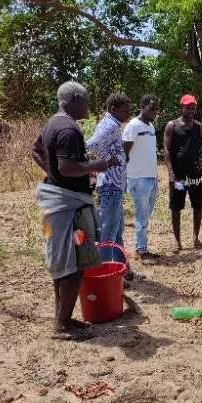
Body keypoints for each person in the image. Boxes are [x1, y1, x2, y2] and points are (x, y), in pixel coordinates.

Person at [33, 82, 117, 341]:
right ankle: (61, 326)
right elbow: (68, 167)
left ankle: (65, 318)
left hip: (60, 201)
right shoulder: (68, 129)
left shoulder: (53, 123)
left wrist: (53, 175)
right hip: (67, 208)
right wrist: (99, 165)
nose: (89, 106)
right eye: (86, 100)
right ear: (75, 100)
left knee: (63, 263)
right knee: (72, 265)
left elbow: (36, 150)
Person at [86, 93, 132, 273]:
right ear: (113, 109)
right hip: (111, 185)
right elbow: (91, 145)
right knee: (108, 233)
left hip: (114, 185)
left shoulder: (112, 124)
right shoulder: (111, 125)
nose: (128, 114)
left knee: (116, 230)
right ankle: (104, 272)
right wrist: (106, 160)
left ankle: (123, 270)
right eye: (125, 110)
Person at [164, 94, 202, 252]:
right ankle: (177, 241)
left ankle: (196, 238)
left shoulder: (199, 127)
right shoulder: (172, 126)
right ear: (182, 107)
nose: (191, 110)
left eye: (193, 107)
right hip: (179, 176)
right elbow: (166, 151)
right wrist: (171, 173)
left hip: (195, 176)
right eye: (188, 107)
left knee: (197, 205)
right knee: (176, 207)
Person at [123, 95, 160, 258]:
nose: (155, 112)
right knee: (141, 214)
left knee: (145, 214)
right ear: (142, 106)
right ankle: (141, 249)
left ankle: (141, 246)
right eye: (152, 108)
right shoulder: (133, 126)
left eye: (157, 109)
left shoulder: (151, 126)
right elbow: (124, 152)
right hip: (138, 179)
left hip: (151, 177)